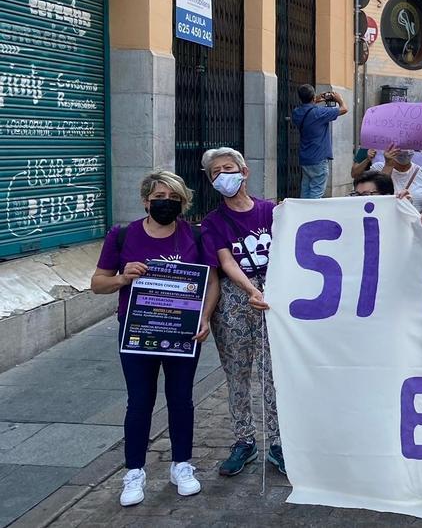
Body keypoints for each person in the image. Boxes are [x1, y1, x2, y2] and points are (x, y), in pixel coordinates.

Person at [91, 171, 216, 507]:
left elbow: (211, 281)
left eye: (175, 198)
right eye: (161, 196)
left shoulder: (196, 235)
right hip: (137, 332)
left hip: (183, 332)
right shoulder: (121, 236)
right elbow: (97, 283)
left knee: (181, 400)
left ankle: (182, 465)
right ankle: (134, 471)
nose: (167, 203)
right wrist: (122, 278)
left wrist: (204, 317)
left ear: (183, 203)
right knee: (139, 402)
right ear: (146, 200)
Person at [198, 148, 284, 477]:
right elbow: (225, 262)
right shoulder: (214, 222)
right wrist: (250, 290)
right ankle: (244, 440)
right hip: (236, 299)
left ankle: (279, 442)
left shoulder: (271, 212)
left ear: (244, 171)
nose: (223, 175)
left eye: (228, 168)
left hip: (274, 294)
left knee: (274, 373)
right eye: (216, 172)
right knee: (238, 374)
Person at [292, 85, 347, 199]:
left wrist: (314, 100)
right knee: (316, 194)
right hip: (319, 158)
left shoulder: (296, 112)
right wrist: (339, 99)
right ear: (312, 97)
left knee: (305, 191)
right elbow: (344, 109)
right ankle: (312, 215)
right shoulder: (319, 113)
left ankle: (302, 214)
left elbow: (306, 108)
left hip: (305, 158)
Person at [383, 147, 422, 214]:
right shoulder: (379, 168)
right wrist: (388, 166)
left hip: (417, 223)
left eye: (409, 145)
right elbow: (377, 196)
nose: (405, 151)